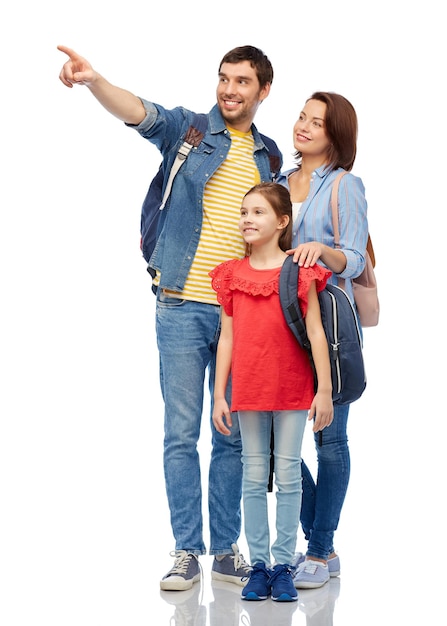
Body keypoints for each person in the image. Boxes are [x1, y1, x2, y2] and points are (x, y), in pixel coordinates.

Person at [57, 44, 282, 591]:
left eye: (243, 82)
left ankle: (226, 550)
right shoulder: (188, 131)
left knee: (229, 435)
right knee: (180, 434)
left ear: (263, 91)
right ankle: (187, 549)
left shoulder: (269, 157)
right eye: (224, 79)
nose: (230, 90)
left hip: (242, 312)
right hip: (180, 303)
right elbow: (138, 111)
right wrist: (94, 81)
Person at [209, 182, 334, 602]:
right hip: (248, 390)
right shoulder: (230, 274)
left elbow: (315, 332)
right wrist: (220, 396)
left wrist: (325, 391)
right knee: (252, 475)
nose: (247, 218)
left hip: (294, 390)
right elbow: (226, 339)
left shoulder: (299, 273)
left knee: (289, 476)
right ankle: (259, 565)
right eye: (244, 211)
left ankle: (284, 563)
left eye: (258, 212)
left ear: (282, 222)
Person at [276, 92, 369, 589]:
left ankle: (319, 547)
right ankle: (320, 539)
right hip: (279, 325)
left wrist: (324, 252)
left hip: (329, 329)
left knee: (328, 438)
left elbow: (354, 258)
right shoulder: (275, 183)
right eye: (301, 117)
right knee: (275, 445)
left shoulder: (344, 186)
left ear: (336, 134)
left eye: (318, 122)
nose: (304, 127)